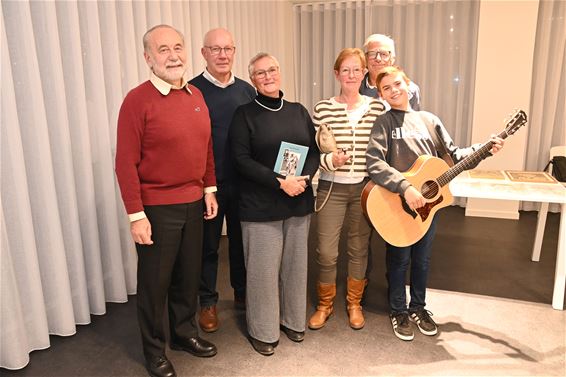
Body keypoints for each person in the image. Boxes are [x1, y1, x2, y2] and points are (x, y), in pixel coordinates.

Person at [366, 66, 504, 341]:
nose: (394, 91)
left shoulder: (429, 120)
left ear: (408, 84)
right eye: (386, 89)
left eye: (397, 84)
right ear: (381, 95)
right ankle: (398, 310)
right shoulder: (384, 123)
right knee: (399, 260)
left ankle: (418, 307)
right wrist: (405, 188)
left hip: (429, 205)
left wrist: (485, 149)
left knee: (423, 260)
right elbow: (375, 162)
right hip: (398, 204)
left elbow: (454, 157)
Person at [115, 24, 218, 377]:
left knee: (188, 278)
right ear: (148, 58)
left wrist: (209, 189)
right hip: (157, 208)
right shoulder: (137, 100)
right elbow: (124, 162)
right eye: (163, 49)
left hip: (193, 203)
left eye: (177, 47)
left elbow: (205, 147)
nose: (173, 55)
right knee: (154, 285)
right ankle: (154, 349)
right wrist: (135, 216)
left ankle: (185, 333)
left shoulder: (195, 96)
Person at [229, 53, 319, 356]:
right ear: (252, 79)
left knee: (295, 268)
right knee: (263, 273)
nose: (267, 76)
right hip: (261, 205)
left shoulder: (298, 111)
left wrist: (304, 178)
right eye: (260, 73)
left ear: (280, 73)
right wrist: (280, 181)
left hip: (298, 201)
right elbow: (240, 159)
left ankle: (293, 320)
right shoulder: (244, 114)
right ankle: (263, 330)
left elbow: (314, 152)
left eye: (272, 70)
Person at [308, 48, 386, 331]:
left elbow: (384, 149)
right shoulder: (322, 108)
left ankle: (355, 303)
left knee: (359, 248)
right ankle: (324, 305)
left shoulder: (378, 107)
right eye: (345, 70)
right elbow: (312, 151)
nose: (351, 75)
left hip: (365, 190)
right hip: (332, 189)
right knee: (327, 252)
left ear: (365, 73)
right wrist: (331, 160)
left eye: (357, 69)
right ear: (336, 74)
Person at [189, 28, 256, 333]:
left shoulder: (246, 90)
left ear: (234, 51)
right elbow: (191, 144)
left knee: (242, 243)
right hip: (210, 187)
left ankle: (242, 294)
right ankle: (207, 302)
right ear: (204, 53)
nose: (222, 55)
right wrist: (206, 186)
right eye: (215, 49)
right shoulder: (191, 91)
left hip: (243, 183)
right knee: (209, 246)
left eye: (227, 48)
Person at [360, 34, 421, 110]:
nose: (378, 59)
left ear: (392, 59)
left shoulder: (409, 90)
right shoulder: (355, 86)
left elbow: (413, 120)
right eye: (372, 54)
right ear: (365, 59)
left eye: (384, 54)